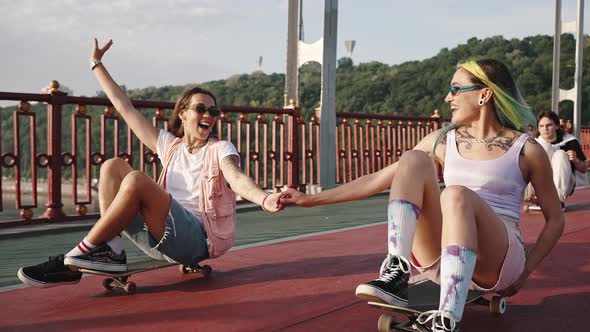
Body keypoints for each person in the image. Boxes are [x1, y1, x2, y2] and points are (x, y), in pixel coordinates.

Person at [280, 59, 564, 331]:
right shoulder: (443, 140)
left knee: (454, 195)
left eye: (455, 89)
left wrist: (525, 272)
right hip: (445, 254)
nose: (446, 97)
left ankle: (447, 319)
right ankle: (396, 272)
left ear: (484, 94)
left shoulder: (526, 149)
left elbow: (555, 221)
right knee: (413, 159)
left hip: (498, 260)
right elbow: (378, 179)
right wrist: (309, 199)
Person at [17, 38, 286, 288]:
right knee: (112, 166)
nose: (209, 115)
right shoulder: (171, 146)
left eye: (213, 111)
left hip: (197, 240)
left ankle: (73, 258)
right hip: (161, 234)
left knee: (136, 180)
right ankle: (111, 249)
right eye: (201, 109)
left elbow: (237, 177)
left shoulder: (220, 149)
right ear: (183, 113)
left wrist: (263, 198)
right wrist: (96, 65)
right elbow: (126, 109)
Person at [524, 111, 587, 210]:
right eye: (541, 126)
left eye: (549, 125)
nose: (545, 129)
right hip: (538, 184)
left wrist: (575, 160)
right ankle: (537, 197)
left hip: (565, 184)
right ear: (538, 128)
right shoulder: (532, 143)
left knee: (560, 154)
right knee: (543, 147)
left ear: (557, 126)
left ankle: (556, 200)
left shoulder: (570, 141)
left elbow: (583, 168)